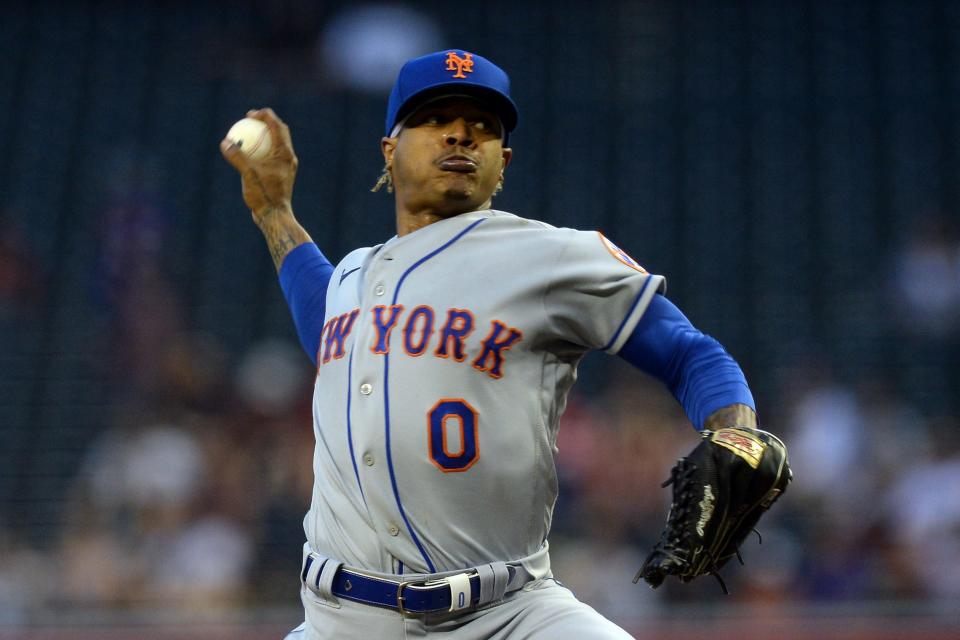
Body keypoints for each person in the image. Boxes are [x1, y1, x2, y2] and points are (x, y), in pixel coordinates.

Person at [221, 50, 763, 639]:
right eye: (434, 118)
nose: (461, 133)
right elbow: (324, 323)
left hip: (508, 614)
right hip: (340, 620)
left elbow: (690, 352)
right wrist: (275, 213)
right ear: (389, 150)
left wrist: (736, 428)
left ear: (501, 161)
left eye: (483, 126)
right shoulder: (354, 275)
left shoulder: (551, 256)